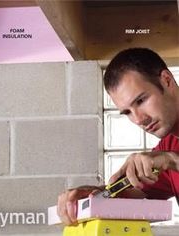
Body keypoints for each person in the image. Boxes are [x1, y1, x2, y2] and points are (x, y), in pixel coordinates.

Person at [57, 48, 179, 226]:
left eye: (141, 101)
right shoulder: (168, 146)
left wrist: (172, 160)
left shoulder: (167, 156)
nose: (139, 119)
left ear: (166, 81)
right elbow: (133, 192)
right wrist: (95, 194)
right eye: (127, 112)